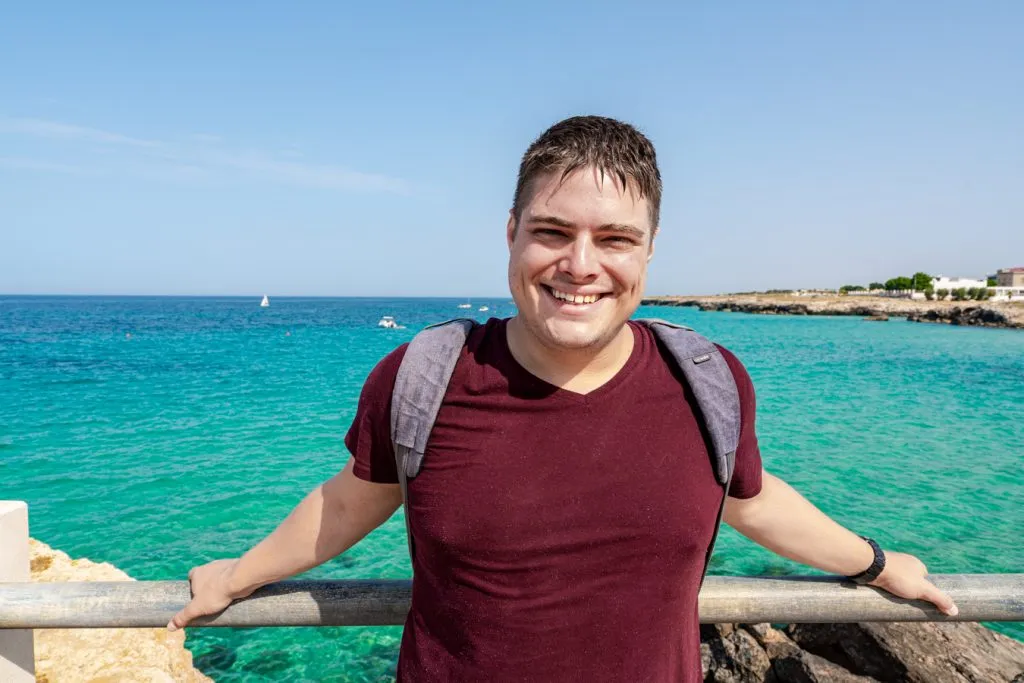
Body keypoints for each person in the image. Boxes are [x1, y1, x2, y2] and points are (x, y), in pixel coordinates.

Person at [169, 115, 958, 682]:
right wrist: (238, 575)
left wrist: (883, 564)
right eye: (552, 231)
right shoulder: (422, 376)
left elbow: (751, 500)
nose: (580, 265)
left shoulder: (705, 379)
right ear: (511, 231)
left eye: (614, 239)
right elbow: (349, 503)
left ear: (650, 250)